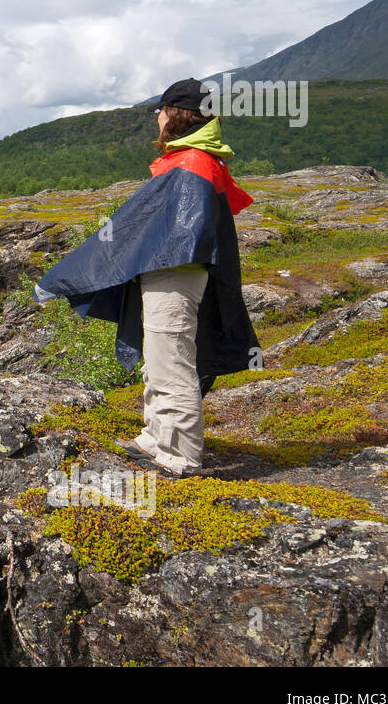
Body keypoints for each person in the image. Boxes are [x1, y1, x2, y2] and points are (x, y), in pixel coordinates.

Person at [32, 78, 260, 476]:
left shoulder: (191, 162)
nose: (157, 116)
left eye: (161, 109)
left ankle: (180, 455)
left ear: (176, 113)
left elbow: (136, 227)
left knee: (171, 361)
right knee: (157, 360)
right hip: (169, 272)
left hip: (175, 275)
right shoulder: (192, 159)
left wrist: (67, 274)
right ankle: (154, 437)